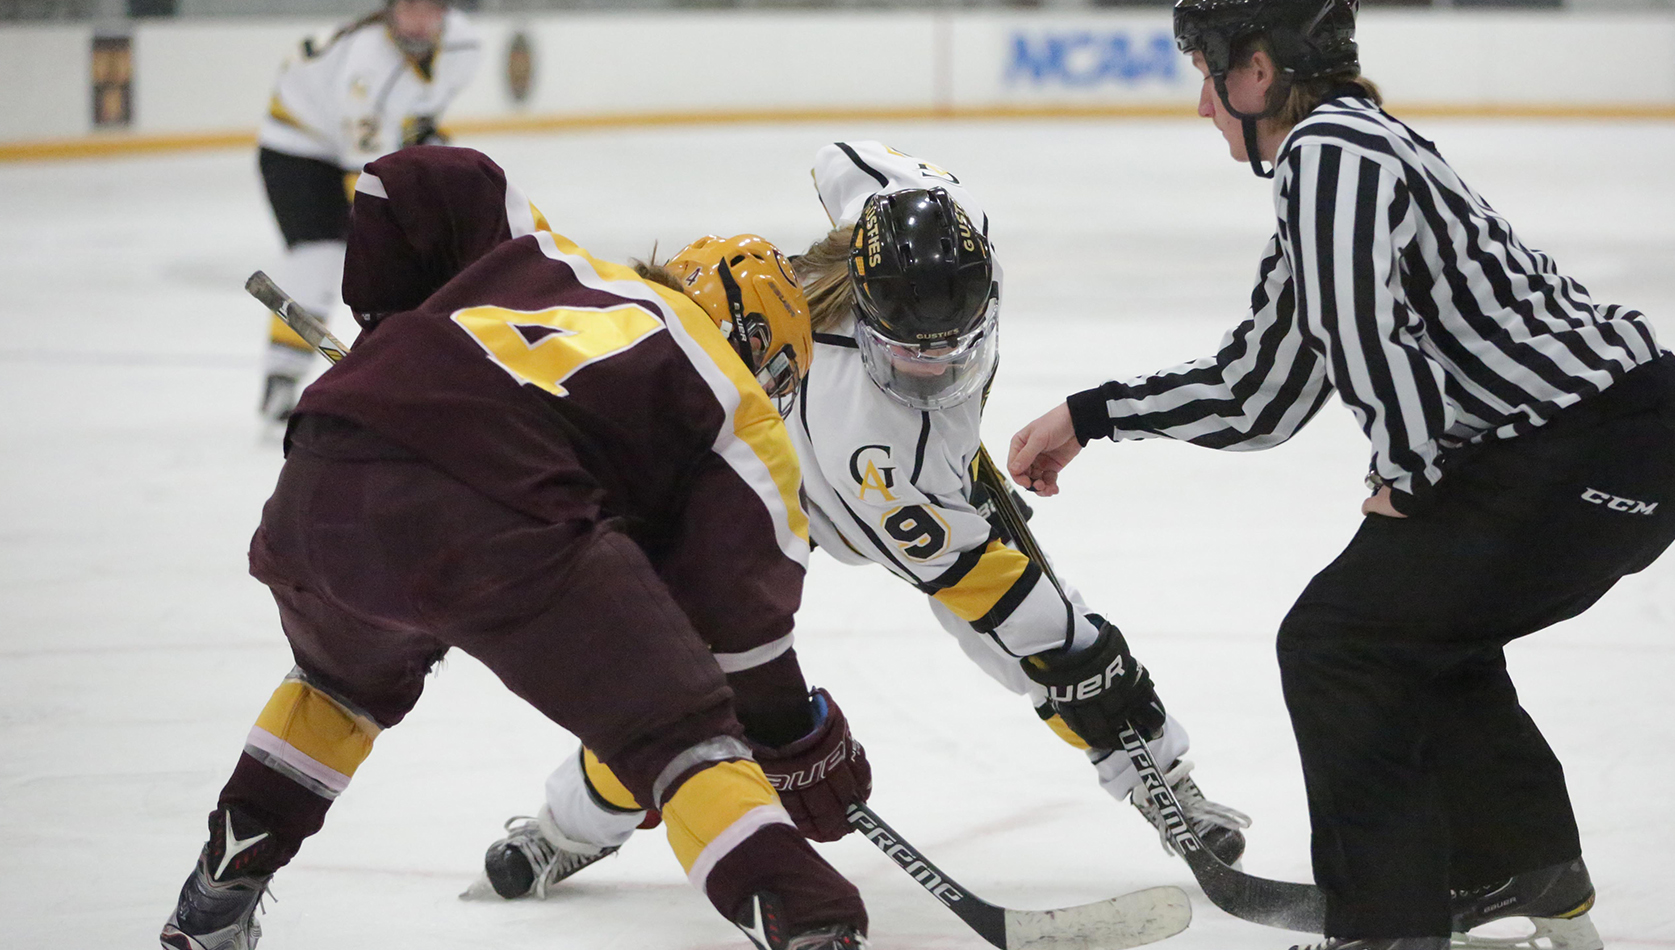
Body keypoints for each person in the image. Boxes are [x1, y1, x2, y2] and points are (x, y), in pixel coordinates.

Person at [1007, 2, 1675, 949]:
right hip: (1609, 442)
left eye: (1208, 73)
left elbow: (1365, 335)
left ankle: (1385, 925)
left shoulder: (1330, 151)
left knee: (1338, 642)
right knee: (1415, 630)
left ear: (1260, 70)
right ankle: (1521, 866)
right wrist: (1094, 414)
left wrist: (1407, 471)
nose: (1202, 105)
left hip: (1585, 444)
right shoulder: (1339, 162)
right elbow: (1261, 392)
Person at [473, 141, 1251, 903]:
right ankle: (566, 829)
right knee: (680, 685)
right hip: (775, 495)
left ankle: (1165, 785)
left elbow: (842, 158)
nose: (935, 368)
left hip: (909, 481)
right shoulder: (875, 449)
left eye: (954, 348)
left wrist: (1081, 666)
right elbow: (994, 598)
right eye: (912, 352)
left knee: (1054, 642)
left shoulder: (940, 227)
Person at [159, 146, 869, 950]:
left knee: (335, 686)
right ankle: (809, 921)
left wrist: (393, 330)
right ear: (767, 359)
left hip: (323, 472)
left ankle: (222, 887)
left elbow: (410, 182)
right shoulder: (738, 404)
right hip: (493, 517)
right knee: (680, 733)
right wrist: (795, 737)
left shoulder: (545, 258)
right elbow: (742, 626)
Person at [255, 0, 481, 427]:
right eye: (408, 5)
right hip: (297, 150)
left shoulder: (466, 44)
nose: (418, 17)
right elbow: (365, 173)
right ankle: (280, 377)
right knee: (319, 257)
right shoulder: (367, 64)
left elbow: (420, 110)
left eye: (429, 6)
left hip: (361, 144)